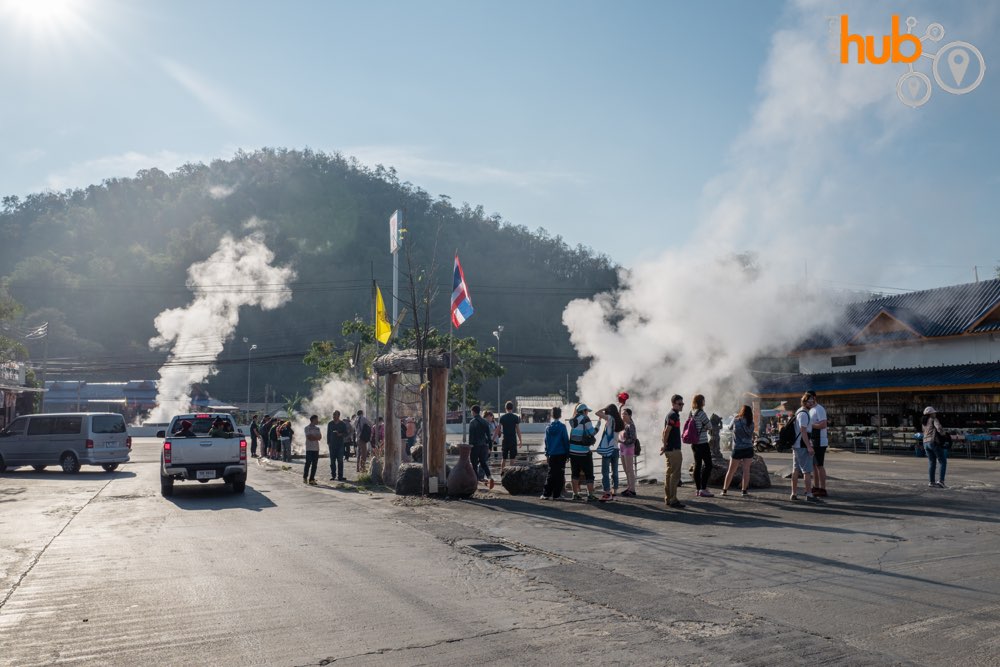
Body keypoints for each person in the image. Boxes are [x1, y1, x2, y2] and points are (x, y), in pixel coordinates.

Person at [722, 405, 755, 496]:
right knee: (746, 470)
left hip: (737, 448)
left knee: (731, 470)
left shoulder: (736, 420)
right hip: (748, 448)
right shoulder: (751, 422)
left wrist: (735, 417)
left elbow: (729, 428)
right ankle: (744, 491)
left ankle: (725, 490)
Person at [660, 395, 685, 509]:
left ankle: (669, 498)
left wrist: (664, 445)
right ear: (673, 404)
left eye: (682, 404)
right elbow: (666, 431)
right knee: (675, 475)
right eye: (679, 404)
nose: (681, 406)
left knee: (669, 474)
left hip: (670, 449)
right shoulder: (673, 415)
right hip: (674, 449)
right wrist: (665, 445)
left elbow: (664, 432)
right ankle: (673, 499)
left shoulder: (671, 415)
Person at [568, 403, 598, 501]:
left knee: (575, 473)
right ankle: (590, 495)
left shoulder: (572, 420)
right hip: (584, 452)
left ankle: (575, 494)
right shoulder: (586, 419)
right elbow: (592, 432)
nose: (587, 413)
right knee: (589, 474)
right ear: (584, 411)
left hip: (572, 451)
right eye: (587, 411)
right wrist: (598, 426)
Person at [686, 394, 714, 498]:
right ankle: (703, 488)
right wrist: (705, 428)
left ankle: (698, 489)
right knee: (708, 465)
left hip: (694, 443)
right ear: (701, 401)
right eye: (704, 400)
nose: (704, 401)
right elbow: (710, 425)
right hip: (702, 443)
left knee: (697, 465)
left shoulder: (691, 412)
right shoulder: (701, 413)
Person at [595, 404, 624, 501]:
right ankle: (614, 493)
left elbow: (597, 413)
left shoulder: (610, 418)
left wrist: (604, 408)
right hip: (615, 449)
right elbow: (618, 415)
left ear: (609, 411)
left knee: (605, 472)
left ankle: (607, 493)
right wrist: (619, 408)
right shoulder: (618, 420)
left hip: (608, 449)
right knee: (615, 472)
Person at [790, 393, 817, 501]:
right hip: (802, 444)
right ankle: (809, 494)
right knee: (807, 471)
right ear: (804, 402)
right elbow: (803, 431)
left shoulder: (799, 412)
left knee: (796, 469)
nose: (811, 403)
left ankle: (794, 493)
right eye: (809, 401)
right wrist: (809, 447)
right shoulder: (804, 414)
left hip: (796, 444)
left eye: (813, 401)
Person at [541, 406, 569, 500]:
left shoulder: (548, 428)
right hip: (561, 454)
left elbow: (546, 442)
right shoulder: (562, 427)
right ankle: (557, 495)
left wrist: (547, 453)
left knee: (551, 473)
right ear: (560, 415)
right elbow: (565, 441)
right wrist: (567, 454)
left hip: (552, 454)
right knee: (560, 474)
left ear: (552, 415)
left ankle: (546, 494)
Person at [808, 390, 829, 497]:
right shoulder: (811, 410)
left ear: (814, 398)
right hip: (813, 440)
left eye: (810, 398)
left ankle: (823, 488)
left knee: (820, 465)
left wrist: (810, 425)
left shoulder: (819, 409)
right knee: (814, 465)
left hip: (820, 440)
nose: (809, 400)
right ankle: (816, 486)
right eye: (807, 398)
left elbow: (823, 424)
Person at [468, 405, 494, 489]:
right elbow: (489, 437)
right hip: (484, 446)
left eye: (471, 411)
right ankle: (490, 477)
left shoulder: (472, 422)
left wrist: (470, 447)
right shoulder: (485, 422)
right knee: (483, 463)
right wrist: (490, 447)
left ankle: (475, 481)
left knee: (474, 464)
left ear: (473, 412)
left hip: (475, 446)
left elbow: (471, 437)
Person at [922, 407, 948, 488]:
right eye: (934, 412)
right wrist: (944, 435)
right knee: (942, 461)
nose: (935, 414)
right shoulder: (934, 419)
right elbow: (939, 428)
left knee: (931, 462)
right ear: (931, 414)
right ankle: (941, 481)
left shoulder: (923, 422)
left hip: (925, 443)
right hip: (933, 442)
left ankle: (931, 482)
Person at [498, 401, 523, 474]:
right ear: (512, 408)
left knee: (504, 458)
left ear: (505, 408)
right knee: (512, 458)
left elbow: (498, 429)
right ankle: (510, 474)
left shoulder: (502, 417)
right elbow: (518, 430)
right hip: (513, 440)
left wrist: (493, 439)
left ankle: (502, 473)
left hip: (505, 440)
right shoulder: (515, 417)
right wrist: (520, 440)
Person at [619, 407, 638, 497]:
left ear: (630, 415)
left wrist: (622, 442)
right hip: (622, 448)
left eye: (625, 414)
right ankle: (629, 487)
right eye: (623, 414)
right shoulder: (624, 424)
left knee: (630, 469)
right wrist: (620, 407)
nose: (623, 415)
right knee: (626, 469)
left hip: (628, 448)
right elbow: (618, 417)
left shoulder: (631, 425)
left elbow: (633, 439)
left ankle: (632, 489)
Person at [326, 411, 349, 481]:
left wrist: (340, 434)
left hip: (340, 445)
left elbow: (346, 433)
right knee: (332, 461)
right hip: (332, 445)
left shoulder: (342, 424)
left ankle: (340, 476)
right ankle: (333, 475)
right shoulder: (330, 423)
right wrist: (328, 443)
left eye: (335, 415)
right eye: (333, 415)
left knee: (340, 461)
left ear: (339, 416)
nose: (333, 416)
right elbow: (328, 434)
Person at [303, 415, 322, 485]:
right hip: (309, 448)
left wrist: (314, 437)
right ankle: (305, 477)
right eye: (317, 419)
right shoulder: (307, 428)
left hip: (316, 448)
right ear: (313, 420)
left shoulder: (317, 428)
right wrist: (315, 437)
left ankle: (311, 479)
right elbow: (309, 437)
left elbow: (320, 437)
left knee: (314, 464)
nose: (318, 421)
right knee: (308, 463)